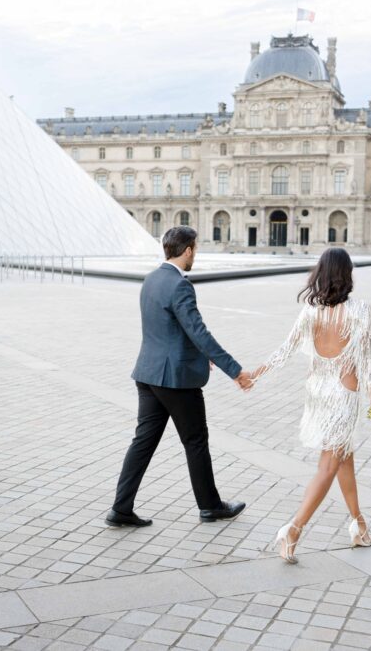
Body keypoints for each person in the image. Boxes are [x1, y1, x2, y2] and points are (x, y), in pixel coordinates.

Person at [107, 226, 252, 528]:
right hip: (176, 379)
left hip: (148, 373)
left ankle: (120, 508)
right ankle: (210, 506)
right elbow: (198, 331)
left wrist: (199, 355)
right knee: (196, 440)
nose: (195, 255)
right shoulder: (180, 285)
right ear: (187, 250)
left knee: (142, 442)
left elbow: (169, 328)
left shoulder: (150, 279)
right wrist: (234, 370)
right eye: (195, 249)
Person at [251, 248, 371, 563]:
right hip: (342, 396)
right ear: (347, 274)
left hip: (317, 394)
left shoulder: (311, 312)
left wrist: (255, 374)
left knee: (344, 458)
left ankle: (359, 525)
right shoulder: (361, 310)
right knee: (328, 465)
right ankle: (293, 529)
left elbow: (284, 350)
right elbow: (366, 363)